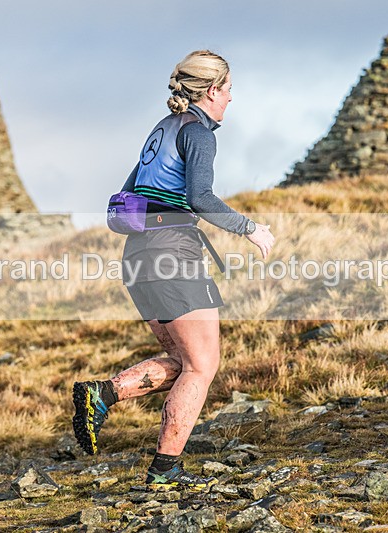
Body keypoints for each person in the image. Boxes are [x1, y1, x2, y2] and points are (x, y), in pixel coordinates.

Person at [72, 50, 275, 492]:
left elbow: (125, 197)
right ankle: (165, 471)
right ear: (213, 90)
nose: (231, 99)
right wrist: (250, 228)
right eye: (229, 89)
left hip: (138, 257)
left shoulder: (161, 130)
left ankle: (102, 395)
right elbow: (201, 197)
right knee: (203, 367)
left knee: (186, 361)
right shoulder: (199, 133)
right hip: (174, 255)